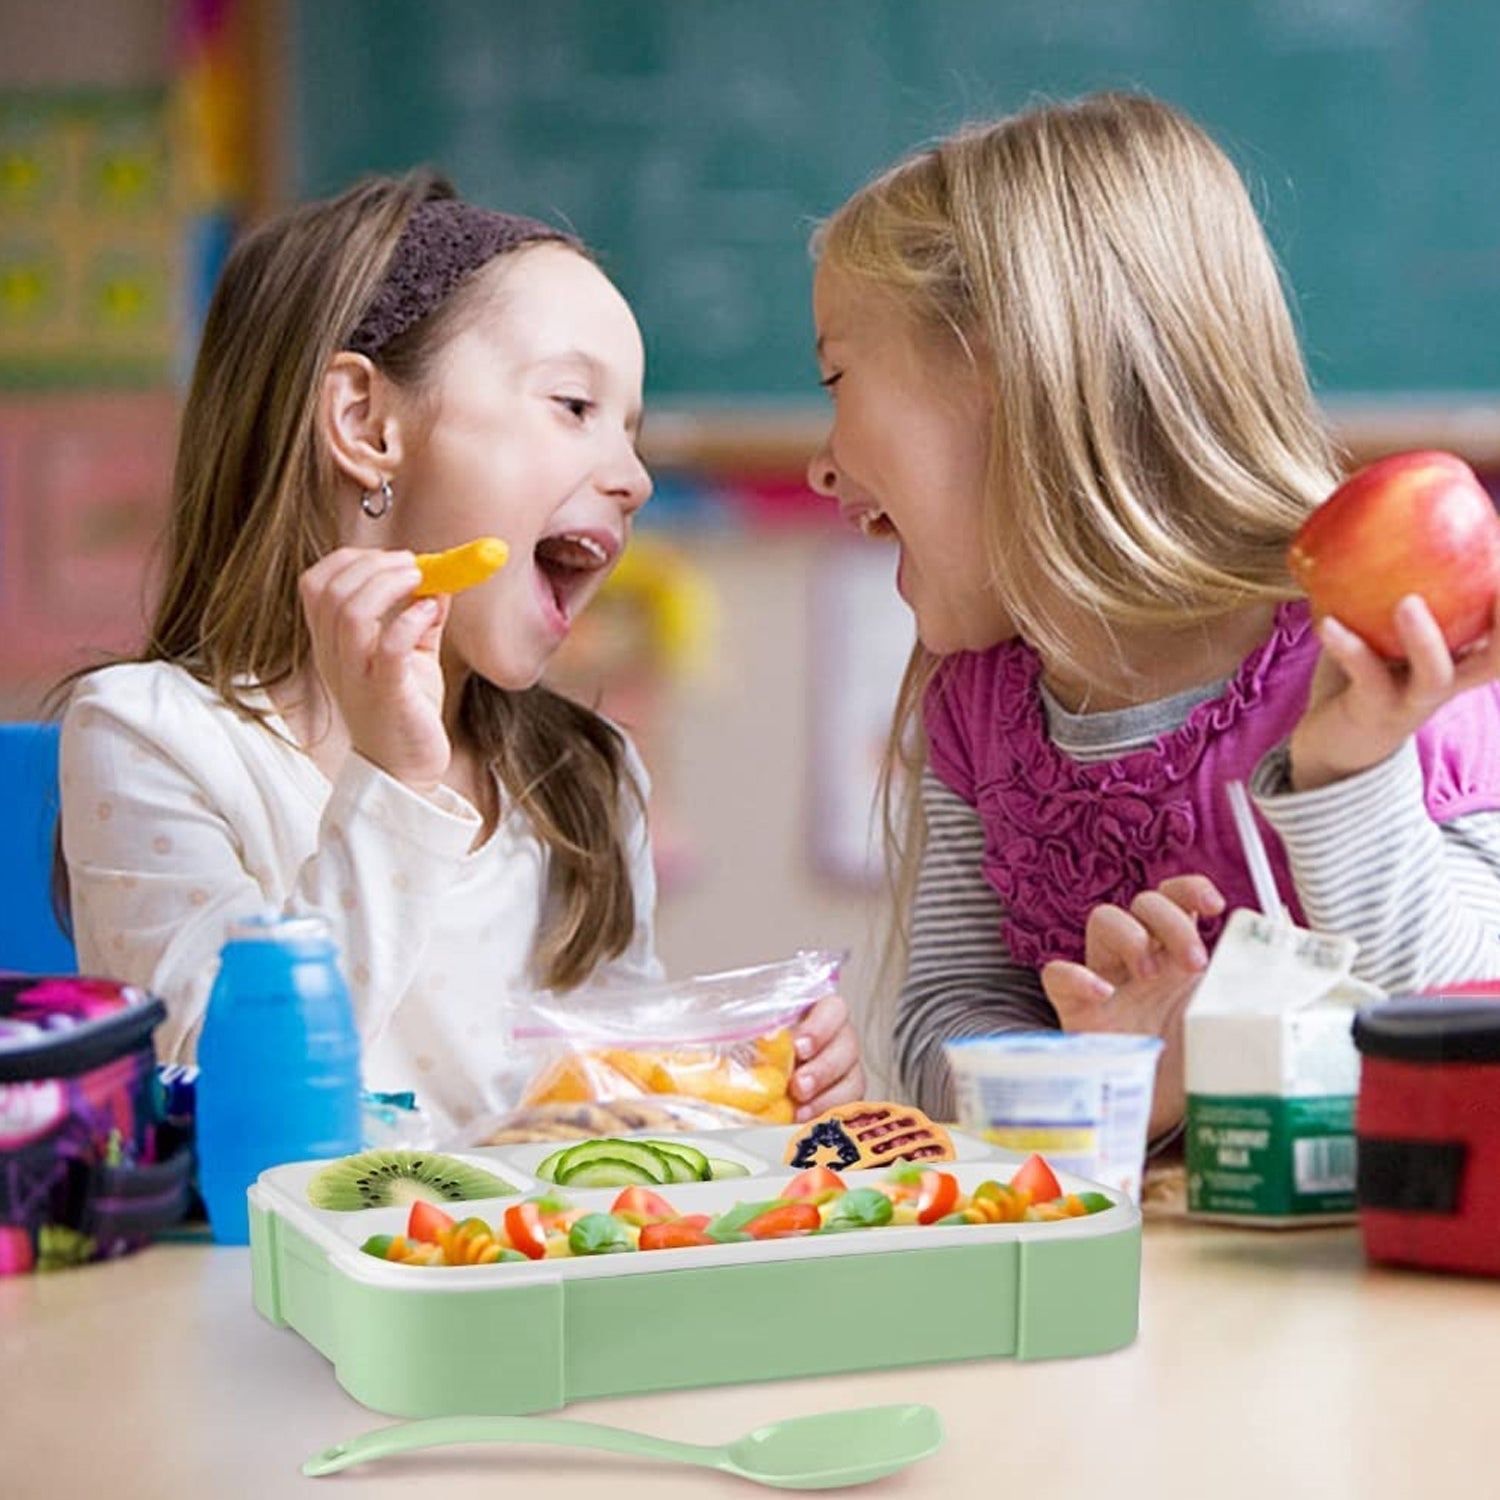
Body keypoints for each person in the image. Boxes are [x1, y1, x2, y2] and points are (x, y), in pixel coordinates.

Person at [59, 171, 862, 1137]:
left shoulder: (587, 779)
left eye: (632, 433)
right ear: (365, 424)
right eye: (574, 405)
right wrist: (392, 784)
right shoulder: (151, 737)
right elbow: (218, 1093)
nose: (634, 478)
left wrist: (749, 1092)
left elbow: (609, 1112)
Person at [803, 92, 1500, 1146]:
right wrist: (1095, 1079)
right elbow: (945, 1019)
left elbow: (1468, 1022)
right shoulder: (977, 708)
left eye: (836, 379)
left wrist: (1348, 779)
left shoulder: (1371, 655)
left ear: (1001, 367)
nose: (822, 463)